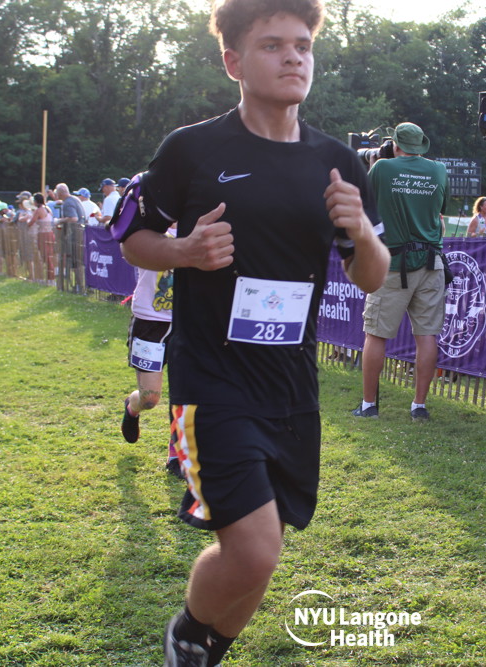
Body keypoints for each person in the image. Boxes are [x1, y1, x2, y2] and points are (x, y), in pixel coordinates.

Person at [115, 0, 389, 664]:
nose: (293, 57)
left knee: (265, 549)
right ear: (233, 62)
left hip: (292, 385)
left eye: (302, 45)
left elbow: (372, 277)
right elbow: (133, 239)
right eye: (273, 45)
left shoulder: (337, 162)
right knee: (255, 548)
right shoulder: (192, 149)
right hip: (210, 377)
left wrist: (360, 229)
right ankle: (188, 632)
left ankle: (207, 647)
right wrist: (185, 251)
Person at [353, 121, 449, 423]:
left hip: (393, 264)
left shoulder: (382, 168)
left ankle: (369, 405)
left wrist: (374, 165)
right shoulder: (439, 170)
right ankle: (419, 405)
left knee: (376, 334)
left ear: (395, 145)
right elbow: (440, 209)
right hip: (431, 263)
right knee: (427, 335)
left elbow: (364, 203)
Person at [120, 225, 180, 481]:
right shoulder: (151, 223)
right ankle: (131, 407)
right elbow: (128, 248)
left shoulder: (201, 223)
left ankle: (176, 455)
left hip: (188, 321)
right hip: (150, 321)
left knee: (184, 393)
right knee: (150, 398)